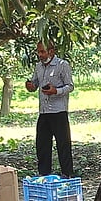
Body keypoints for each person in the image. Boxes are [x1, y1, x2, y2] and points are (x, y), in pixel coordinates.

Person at [25, 42, 75, 177]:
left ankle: (67, 174)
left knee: (63, 144)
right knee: (42, 145)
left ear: (51, 51)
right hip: (44, 111)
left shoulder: (62, 65)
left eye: (42, 52)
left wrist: (56, 91)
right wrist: (30, 86)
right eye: (38, 52)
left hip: (58, 111)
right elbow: (35, 83)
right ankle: (44, 174)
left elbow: (70, 86)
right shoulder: (38, 66)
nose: (40, 55)